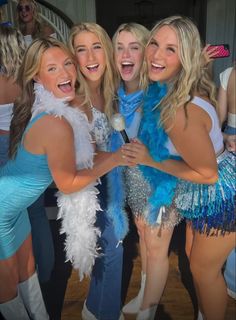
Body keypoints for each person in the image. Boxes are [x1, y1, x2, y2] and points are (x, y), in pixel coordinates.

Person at [0, 37, 132, 320]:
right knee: (7, 287)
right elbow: (68, 183)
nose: (65, 73)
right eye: (52, 68)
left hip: (15, 210)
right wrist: (114, 160)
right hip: (1, 211)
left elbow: (87, 161)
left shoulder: (62, 109)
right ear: (37, 76)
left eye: (68, 64)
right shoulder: (54, 122)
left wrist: (119, 156)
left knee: (27, 273)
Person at [122, 15, 235, 320]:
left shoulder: (179, 111)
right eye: (155, 44)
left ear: (185, 57)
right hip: (194, 187)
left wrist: (148, 159)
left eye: (170, 50)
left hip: (217, 193)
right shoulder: (172, 90)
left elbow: (208, 173)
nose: (157, 55)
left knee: (202, 269)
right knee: (189, 257)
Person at [68, 22, 125, 320]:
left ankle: (95, 307)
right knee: (113, 248)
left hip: (112, 177)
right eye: (81, 49)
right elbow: (85, 162)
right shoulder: (77, 102)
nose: (90, 57)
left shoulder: (112, 89)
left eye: (96, 47)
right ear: (73, 57)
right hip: (89, 185)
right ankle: (103, 313)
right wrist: (120, 157)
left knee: (114, 248)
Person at [110, 22, 153, 315]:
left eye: (134, 47)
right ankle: (145, 291)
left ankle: (148, 300)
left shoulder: (157, 96)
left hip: (152, 176)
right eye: (120, 47)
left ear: (145, 54)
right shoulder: (111, 93)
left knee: (151, 236)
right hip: (122, 175)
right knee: (140, 230)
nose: (126, 54)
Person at [217, 65, 236, 301]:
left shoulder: (228, 73)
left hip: (230, 142)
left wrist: (226, 137)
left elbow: (217, 121)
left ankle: (230, 278)